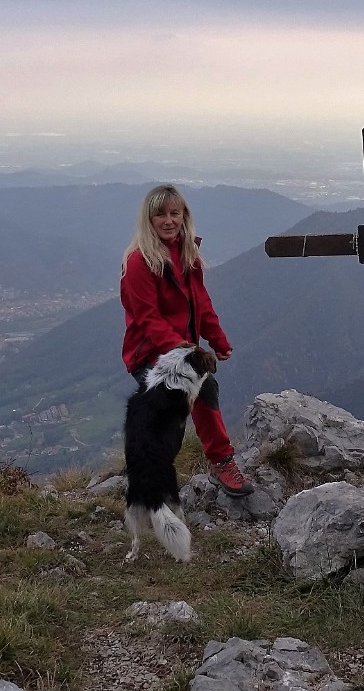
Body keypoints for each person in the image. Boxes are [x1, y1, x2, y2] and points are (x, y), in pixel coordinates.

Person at [121, 183, 254, 497]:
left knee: (200, 391)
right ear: (149, 220)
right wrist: (190, 351)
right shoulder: (140, 264)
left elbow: (201, 304)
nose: (168, 220)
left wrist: (217, 340)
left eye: (174, 213)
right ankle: (164, 476)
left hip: (182, 350)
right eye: (160, 215)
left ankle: (219, 461)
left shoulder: (188, 254)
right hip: (149, 352)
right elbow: (148, 319)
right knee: (184, 400)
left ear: (183, 216)